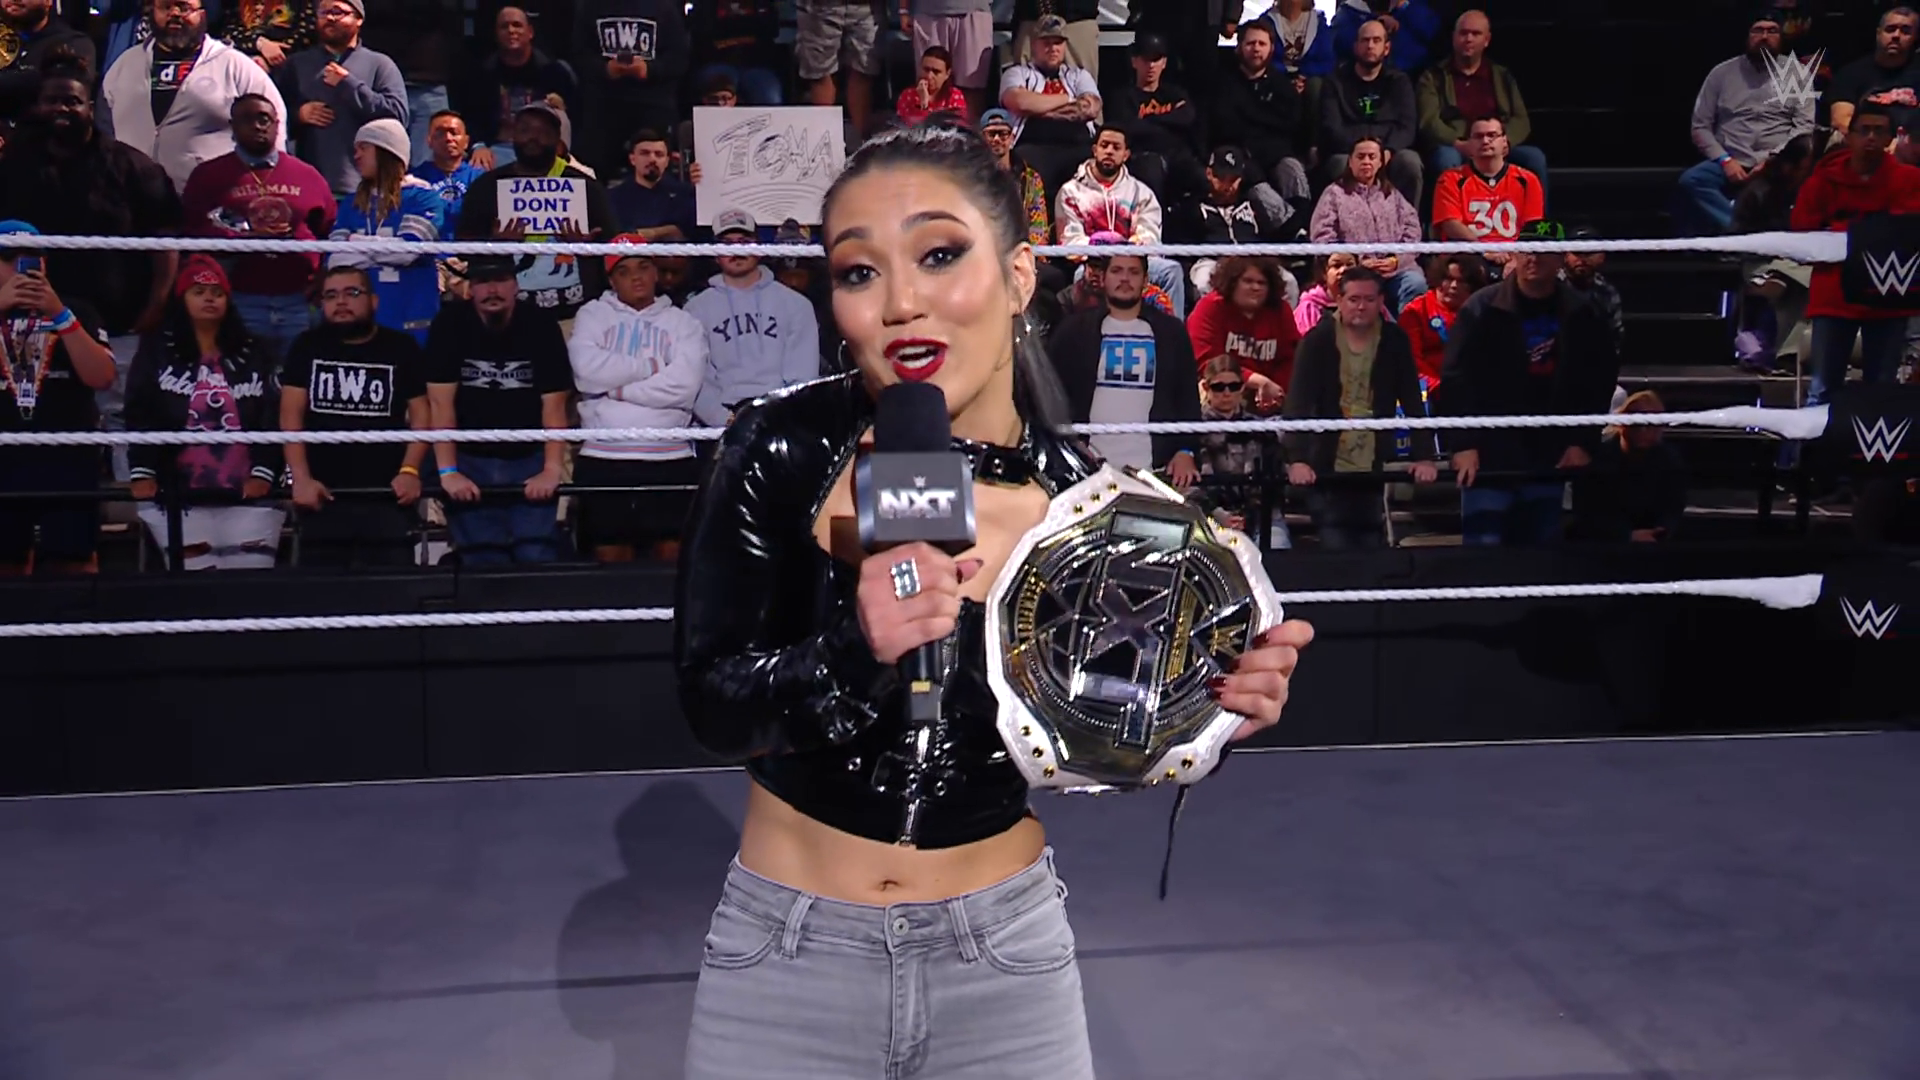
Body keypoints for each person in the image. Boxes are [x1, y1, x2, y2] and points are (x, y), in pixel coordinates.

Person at [672, 121, 1313, 1079]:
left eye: (939, 255)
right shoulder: (779, 446)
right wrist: (853, 649)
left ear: (1019, 275)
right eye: (859, 271)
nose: (901, 303)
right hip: (786, 959)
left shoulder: (1099, 509)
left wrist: (1210, 708)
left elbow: (1106, 737)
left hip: (1005, 961)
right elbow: (713, 705)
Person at [1438, 219, 1619, 547]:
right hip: (1489, 456)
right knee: (1482, 560)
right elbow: (1455, 379)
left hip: (1548, 455)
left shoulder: (1582, 313)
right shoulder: (1481, 308)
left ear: (1560, 257)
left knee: (1538, 560)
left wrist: (1583, 441)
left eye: (1543, 251)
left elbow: (1598, 381)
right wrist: (1462, 443)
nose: (1533, 258)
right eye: (1526, 250)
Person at [124, 256, 286, 570]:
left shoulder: (258, 350)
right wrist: (143, 471)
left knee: (250, 581)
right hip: (178, 495)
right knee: (196, 581)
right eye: (198, 292)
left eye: (217, 293)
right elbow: (139, 411)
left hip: (249, 495)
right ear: (181, 299)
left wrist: (263, 472)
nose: (209, 298)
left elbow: (273, 414)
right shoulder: (156, 350)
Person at [425, 255, 574, 566]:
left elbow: (555, 404)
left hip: (529, 455)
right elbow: (440, 404)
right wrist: (449, 472)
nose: (492, 290)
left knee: (535, 556)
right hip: (469, 456)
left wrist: (551, 469)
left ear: (516, 285)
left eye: (501, 280)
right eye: (483, 282)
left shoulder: (540, 324)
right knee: (482, 563)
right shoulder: (449, 324)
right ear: (470, 287)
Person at [279, 263, 430, 567]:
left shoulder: (400, 347)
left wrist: (410, 470)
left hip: (387, 495)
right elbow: (290, 415)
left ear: (374, 301)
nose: (341, 302)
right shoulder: (306, 346)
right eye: (331, 295)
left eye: (352, 293)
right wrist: (301, 478)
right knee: (323, 591)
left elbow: (422, 414)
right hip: (323, 495)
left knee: (392, 589)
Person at [567, 234, 707, 563]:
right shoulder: (592, 315)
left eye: (643, 267)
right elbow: (587, 372)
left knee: (671, 559)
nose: (636, 277)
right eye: (624, 270)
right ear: (611, 279)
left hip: (669, 457)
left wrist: (616, 389)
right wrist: (651, 367)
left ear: (656, 272)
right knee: (610, 559)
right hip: (604, 457)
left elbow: (684, 387)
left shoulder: (683, 322)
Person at [1281, 264, 1438, 550]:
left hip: (1373, 463)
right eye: (1354, 299)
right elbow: (1299, 401)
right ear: (1339, 300)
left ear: (1381, 301)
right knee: (1338, 543)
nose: (1361, 307)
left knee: (1370, 546)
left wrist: (1424, 456)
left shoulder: (1394, 340)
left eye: (1369, 299)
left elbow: (1412, 399)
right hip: (1326, 465)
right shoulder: (1317, 340)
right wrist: (1297, 458)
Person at [0, 222, 116, 575]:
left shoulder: (77, 309)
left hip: (67, 457)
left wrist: (60, 316)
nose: (22, 267)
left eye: (31, 257)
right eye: (9, 258)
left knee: (74, 563)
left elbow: (102, 378)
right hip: (4, 456)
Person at [1049, 245, 1203, 487]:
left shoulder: (1171, 332)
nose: (1125, 278)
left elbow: (1187, 399)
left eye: (1133, 272)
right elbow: (1050, 395)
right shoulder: (1073, 331)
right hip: (1086, 471)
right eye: (1117, 270)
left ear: (1145, 280)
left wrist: (1186, 451)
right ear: (1104, 278)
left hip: (1154, 471)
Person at [330, 118, 444, 343]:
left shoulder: (423, 198)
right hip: (364, 325)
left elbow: (407, 252)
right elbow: (336, 260)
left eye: (363, 148)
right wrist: (388, 250)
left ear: (386, 151)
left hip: (412, 319)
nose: (356, 156)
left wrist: (356, 242)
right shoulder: (351, 203)